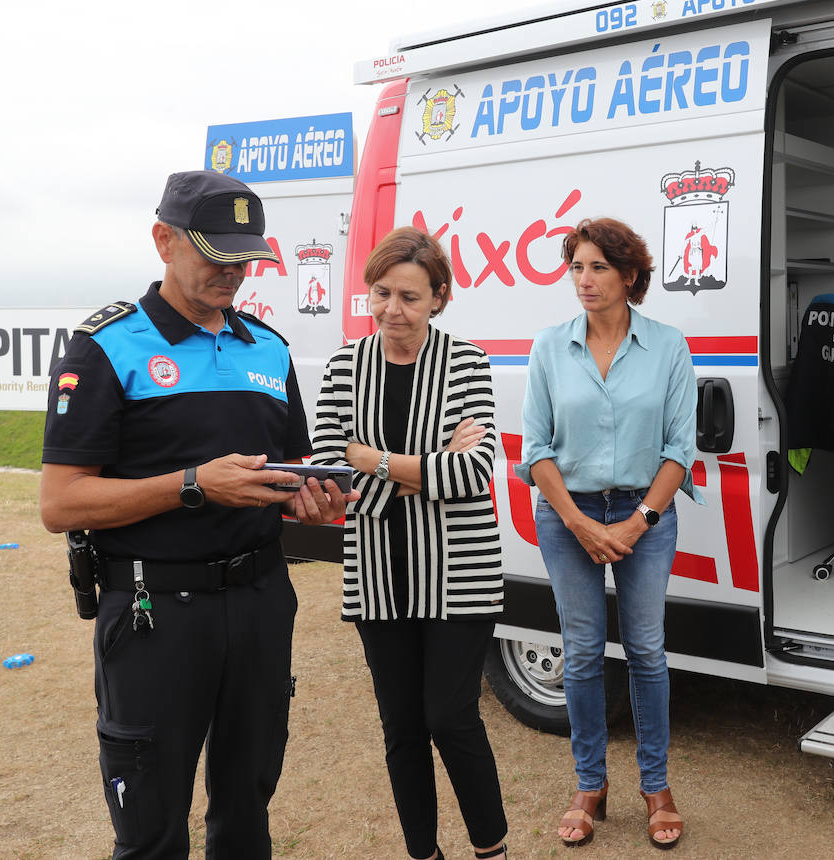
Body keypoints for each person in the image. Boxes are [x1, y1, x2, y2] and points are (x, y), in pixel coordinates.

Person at [38, 170, 353, 858]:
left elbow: (285, 474)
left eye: (244, 258)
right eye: (215, 254)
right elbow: (60, 504)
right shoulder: (106, 346)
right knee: (152, 829)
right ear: (163, 241)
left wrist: (316, 502)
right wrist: (191, 485)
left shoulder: (266, 348)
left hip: (263, 601)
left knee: (246, 815)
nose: (233, 273)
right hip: (156, 613)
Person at [310, 227, 508, 860]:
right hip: (378, 574)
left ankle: (491, 849)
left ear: (439, 298)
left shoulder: (467, 361)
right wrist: (420, 469)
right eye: (381, 292)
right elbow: (328, 475)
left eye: (410, 297)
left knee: (451, 717)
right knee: (401, 728)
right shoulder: (345, 364)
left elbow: (474, 473)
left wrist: (371, 458)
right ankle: (423, 853)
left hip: (458, 574)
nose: (392, 309)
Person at [516, 217, 701, 850]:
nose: (584, 280)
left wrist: (635, 522)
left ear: (630, 275)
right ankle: (589, 785)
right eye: (576, 267)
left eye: (597, 267)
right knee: (584, 650)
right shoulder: (549, 346)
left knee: (647, 650)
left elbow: (680, 448)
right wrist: (577, 521)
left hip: (646, 515)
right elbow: (535, 448)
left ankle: (656, 787)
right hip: (567, 514)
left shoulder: (669, 346)